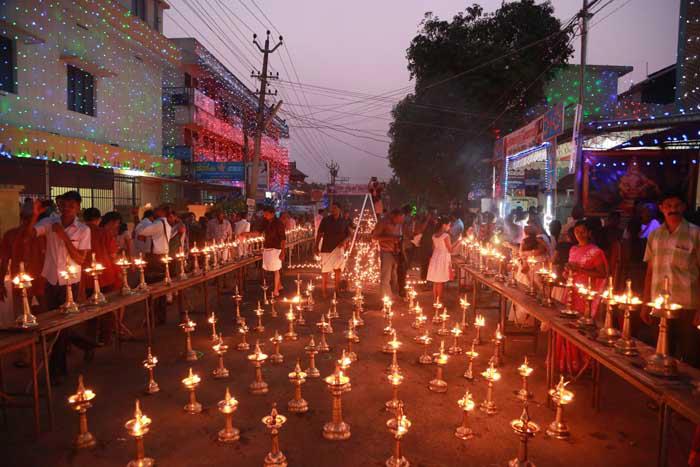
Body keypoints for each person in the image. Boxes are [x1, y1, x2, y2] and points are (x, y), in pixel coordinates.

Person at [26, 192, 93, 384]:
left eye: (71, 205)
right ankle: (82, 345)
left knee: (61, 326)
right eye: (63, 204)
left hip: (70, 282)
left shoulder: (82, 230)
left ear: (78, 208)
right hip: (51, 279)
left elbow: (80, 259)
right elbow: (31, 234)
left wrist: (63, 237)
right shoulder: (51, 222)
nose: (66, 208)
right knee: (54, 324)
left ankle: (57, 370)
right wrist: (35, 215)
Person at [642, 191, 700, 368]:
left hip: (687, 306)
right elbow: (650, 271)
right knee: (660, 355)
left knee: (688, 357)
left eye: (676, 205)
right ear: (661, 208)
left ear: (683, 207)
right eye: (668, 206)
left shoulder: (695, 234)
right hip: (659, 306)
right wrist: (646, 303)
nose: (672, 209)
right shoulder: (655, 235)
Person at [556, 220, 609, 376]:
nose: (579, 234)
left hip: (585, 293)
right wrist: (568, 272)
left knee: (580, 327)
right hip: (571, 291)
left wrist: (580, 269)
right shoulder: (573, 249)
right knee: (566, 323)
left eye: (583, 231)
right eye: (577, 231)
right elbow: (572, 268)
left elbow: (602, 273)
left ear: (589, 233)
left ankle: (583, 363)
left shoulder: (596, 252)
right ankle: (565, 361)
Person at [135, 204, 172, 324]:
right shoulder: (166, 224)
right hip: (162, 257)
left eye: (157, 209)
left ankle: (152, 318)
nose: (155, 211)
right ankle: (161, 317)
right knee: (161, 289)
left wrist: (139, 219)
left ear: (162, 212)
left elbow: (141, 231)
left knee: (152, 288)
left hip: (155, 259)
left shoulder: (157, 224)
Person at [315, 203, 350, 297]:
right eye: (332, 208)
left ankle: (337, 291)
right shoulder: (326, 220)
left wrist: (344, 242)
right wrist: (316, 246)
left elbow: (348, 235)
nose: (332, 210)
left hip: (339, 249)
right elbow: (319, 234)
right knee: (325, 271)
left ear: (339, 210)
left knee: (338, 270)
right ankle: (324, 291)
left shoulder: (343, 221)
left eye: (335, 208)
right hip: (326, 248)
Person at [372, 208, 404, 299]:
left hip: (395, 253)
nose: (400, 221)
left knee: (394, 277)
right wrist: (391, 238)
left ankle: (391, 296)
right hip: (386, 252)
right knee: (385, 277)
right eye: (399, 219)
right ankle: (385, 299)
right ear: (393, 216)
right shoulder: (383, 223)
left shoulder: (398, 225)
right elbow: (374, 237)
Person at [257, 206, 286, 297]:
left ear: (272, 214)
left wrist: (283, 251)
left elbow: (283, 239)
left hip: (276, 248)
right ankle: (280, 285)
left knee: (276, 269)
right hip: (267, 248)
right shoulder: (265, 222)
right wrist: (246, 234)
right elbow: (259, 232)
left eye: (267, 214)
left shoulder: (278, 223)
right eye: (264, 214)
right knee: (272, 268)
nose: (265, 216)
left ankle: (276, 290)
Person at [427, 217, 453, 303]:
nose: (449, 227)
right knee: (440, 281)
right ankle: (439, 301)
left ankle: (436, 299)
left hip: (436, 257)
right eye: (449, 225)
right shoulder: (446, 236)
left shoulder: (434, 235)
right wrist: (459, 242)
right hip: (442, 258)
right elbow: (450, 250)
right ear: (444, 225)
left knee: (436, 281)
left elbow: (433, 248)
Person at [397, 204, 414, 297]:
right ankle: (402, 289)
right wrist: (411, 235)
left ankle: (400, 287)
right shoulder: (408, 219)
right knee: (403, 267)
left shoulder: (401, 219)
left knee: (401, 267)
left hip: (401, 244)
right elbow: (407, 230)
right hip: (405, 244)